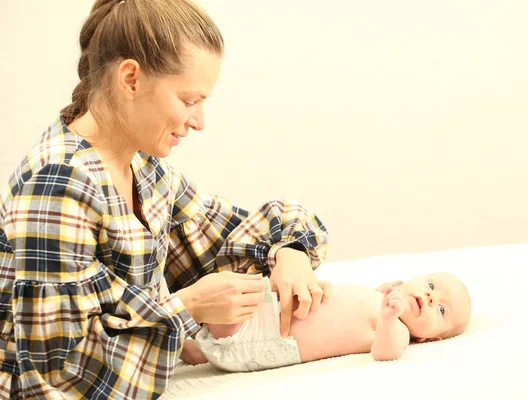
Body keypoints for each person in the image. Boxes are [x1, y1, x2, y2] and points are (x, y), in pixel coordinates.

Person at [0, 0, 330, 399]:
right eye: (189, 101)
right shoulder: (58, 184)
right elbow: (55, 376)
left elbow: (229, 236)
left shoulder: (145, 167)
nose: (199, 121)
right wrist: (186, 310)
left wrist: (289, 251)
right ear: (131, 79)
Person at [180, 272, 471, 371]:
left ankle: (196, 337)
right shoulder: (383, 298)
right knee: (234, 288)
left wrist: (388, 318)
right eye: (431, 286)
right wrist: (381, 293)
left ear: (430, 338)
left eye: (441, 311)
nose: (431, 299)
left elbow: (386, 352)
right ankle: (196, 350)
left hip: (271, 340)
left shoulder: (399, 331)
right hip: (272, 312)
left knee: (230, 318)